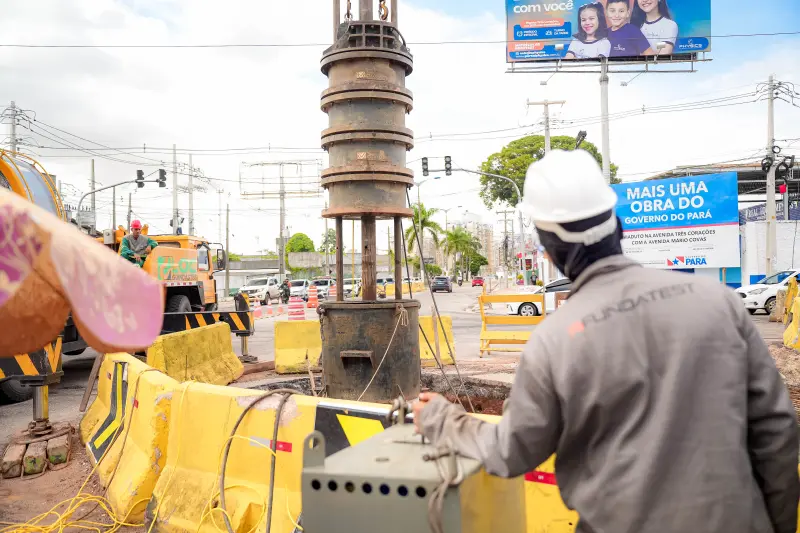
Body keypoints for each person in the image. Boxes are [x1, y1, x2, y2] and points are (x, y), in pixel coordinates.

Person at [414, 149, 799, 533]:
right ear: (619, 227)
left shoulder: (554, 341)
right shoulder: (718, 301)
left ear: (550, 251)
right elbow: (777, 432)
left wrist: (442, 419)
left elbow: (511, 451)